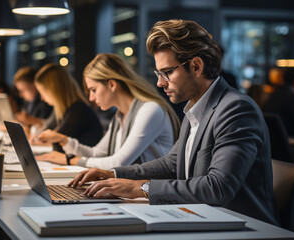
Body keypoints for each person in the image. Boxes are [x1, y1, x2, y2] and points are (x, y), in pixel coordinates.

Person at [68, 19, 278, 226]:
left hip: (244, 227)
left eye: (167, 72)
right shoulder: (195, 108)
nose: (160, 83)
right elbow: (171, 164)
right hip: (204, 220)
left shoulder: (236, 109)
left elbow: (218, 188)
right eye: (159, 74)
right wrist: (113, 173)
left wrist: (140, 188)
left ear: (196, 66)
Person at [35, 53, 181, 169]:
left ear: (111, 84)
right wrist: (64, 140)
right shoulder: (121, 115)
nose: (91, 98)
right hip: (131, 192)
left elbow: (118, 163)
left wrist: (70, 160)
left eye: (94, 90)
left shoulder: (149, 110)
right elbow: (96, 154)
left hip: (148, 196)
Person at [33, 63, 103, 147]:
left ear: (54, 91)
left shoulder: (78, 110)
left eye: (43, 93)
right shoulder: (65, 110)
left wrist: (38, 140)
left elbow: (58, 144)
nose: (42, 98)